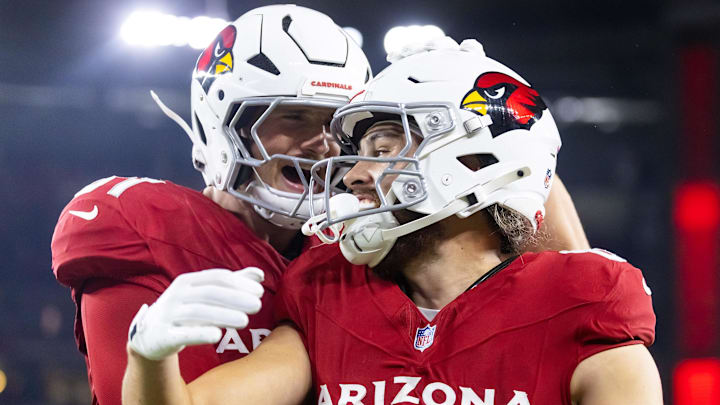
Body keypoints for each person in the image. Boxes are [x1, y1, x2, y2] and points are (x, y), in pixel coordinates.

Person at [122, 38, 661, 404]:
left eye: (382, 146)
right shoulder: (328, 294)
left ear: (473, 160)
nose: (353, 175)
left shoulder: (581, 305)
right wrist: (149, 355)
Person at [50, 5, 371, 404]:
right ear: (225, 124)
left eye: (334, 122)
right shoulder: (142, 227)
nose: (322, 144)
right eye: (294, 117)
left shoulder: (353, 247)